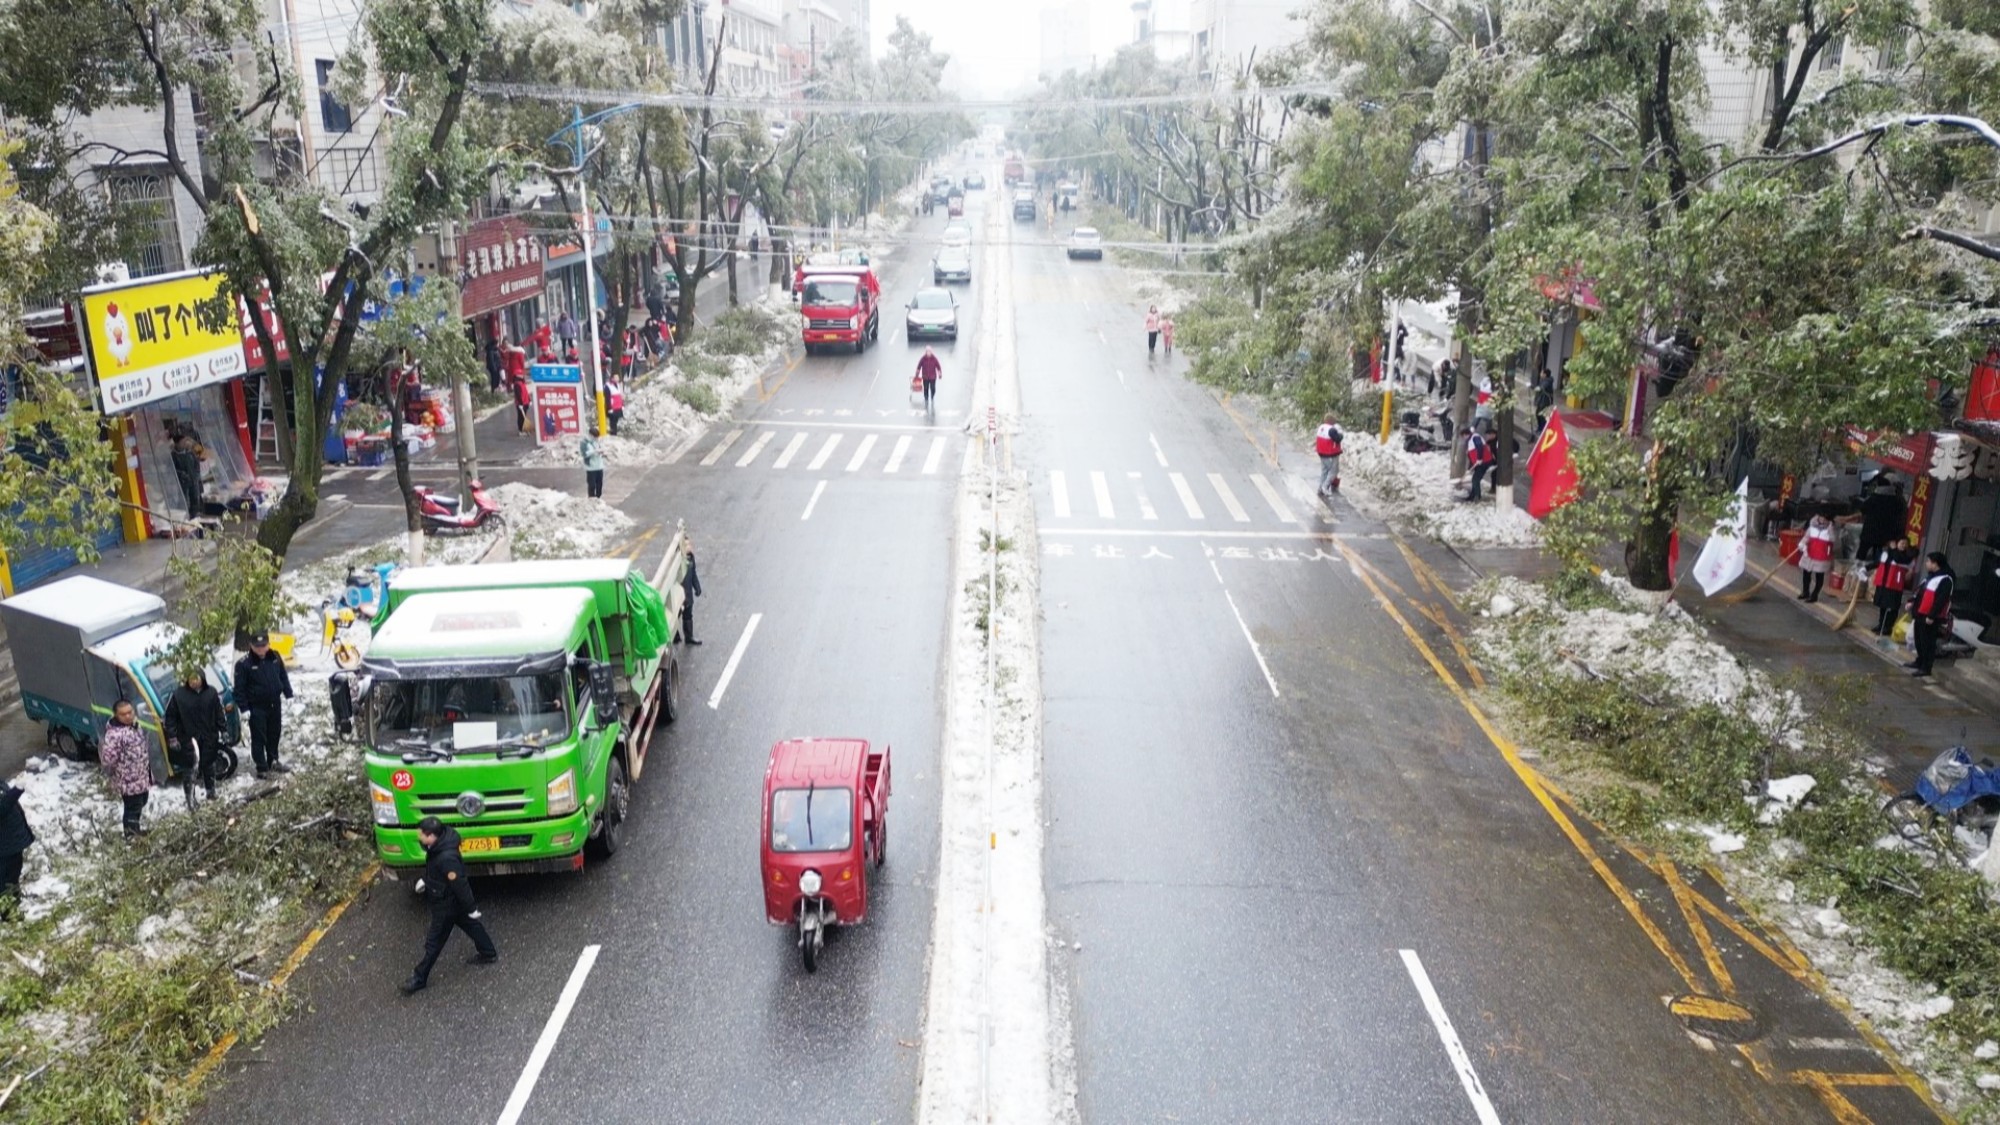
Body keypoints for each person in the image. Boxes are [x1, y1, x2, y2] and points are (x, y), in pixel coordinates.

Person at [400, 817, 498, 995]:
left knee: (434, 942)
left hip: (445, 905)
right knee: (471, 925)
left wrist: (471, 907)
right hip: (449, 899)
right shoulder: (439, 846)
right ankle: (488, 952)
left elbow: (459, 883)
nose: (419, 837)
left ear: (431, 836)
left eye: (421, 834)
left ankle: (419, 978)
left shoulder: (446, 857)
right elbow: (438, 872)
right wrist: (427, 881)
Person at [234, 633, 294, 778]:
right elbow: (239, 688)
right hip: (257, 707)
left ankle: (273, 759)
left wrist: (288, 693)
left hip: (275, 703)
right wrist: (243, 708)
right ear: (251, 646)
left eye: (264, 646)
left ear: (268, 644)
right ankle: (262, 767)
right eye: (258, 647)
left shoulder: (274, 657)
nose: (261, 649)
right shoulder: (244, 664)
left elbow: (283, 676)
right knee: (259, 737)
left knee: (274, 733)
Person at [165, 670, 226, 806]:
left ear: (202, 679)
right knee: (190, 770)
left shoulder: (211, 692)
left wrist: (223, 729)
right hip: (188, 739)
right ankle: (190, 799)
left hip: (208, 736)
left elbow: (219, 712)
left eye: (196, 679)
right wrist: (173, 737)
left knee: (209, 765)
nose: (193, 682)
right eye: (191, 679)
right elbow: (170, 718)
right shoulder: (178, 695)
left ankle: (211, 791)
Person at [99, 700, 153, 837]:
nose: (128, 716)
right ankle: (131, 835)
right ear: (117, 715)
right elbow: (108, 759)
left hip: (141, 776)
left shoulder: (136, 725)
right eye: (123, 714)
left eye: (130, 712)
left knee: (142, 802)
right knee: (132, 809)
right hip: (128, 781)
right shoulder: (114, 735)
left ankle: (135, 829)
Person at [1907, 552, 1955, 677]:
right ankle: (1920, 661)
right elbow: (1920, 591)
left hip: (1930, 616)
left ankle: (1926, 667)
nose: (1926, 564)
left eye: (1928, 561)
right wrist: (1911, 601)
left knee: (1927, 642)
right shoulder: (1930, 576)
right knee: (1919, 639)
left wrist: (1932, 615)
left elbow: (1941, 600)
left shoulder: (1945, 579)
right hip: (1920, 612)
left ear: (1935, 564)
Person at [1871, 536, 1916, 638]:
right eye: (1901, 543)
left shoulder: (1906, 556)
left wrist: (1894, 549)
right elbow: (1878, 563)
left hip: (1895, 585)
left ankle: (1888, 627)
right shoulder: (1888, 552)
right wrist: (1865, 568)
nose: (1903, 545)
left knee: (1892, 607)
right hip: (1884, 583)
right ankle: (1881, 624)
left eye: (1905, 544)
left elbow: (1898, 558)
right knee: (1882, 605)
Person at [0, 781, 32, 906]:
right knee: (5, 885)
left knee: (12, 881)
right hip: (4, 849)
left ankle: (14, 910)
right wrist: (16, 791)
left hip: (11, 845)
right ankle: (10, 916)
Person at [168, 419, 204, 520]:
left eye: (187, 440)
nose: (186, 443)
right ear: (177, 443)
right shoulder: (173, 456)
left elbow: (202, 456)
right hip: (182, 488)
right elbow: (172, 471)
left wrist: (196, 475)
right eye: (183, 441)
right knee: (185, 505)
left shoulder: (190, 453)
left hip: (194, 485)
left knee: (196, 504)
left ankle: (196, 516)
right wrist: (182, 475)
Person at [1798, 514, 1835, 603]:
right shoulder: (1812, 527)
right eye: (1821, 518)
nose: (1823, 520)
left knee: (1819, 576)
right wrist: (1802, 544)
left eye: (1825, 519)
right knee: (1806, 574)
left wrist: (1830, 529)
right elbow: (1806, 537)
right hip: (1809, 554)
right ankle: (1805, 591)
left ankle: (1814, 595)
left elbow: (1833, 540)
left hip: (1821, 556)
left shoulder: (1829, 529)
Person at [1461, 424, 1495, 502]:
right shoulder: (1469, 441)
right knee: (1474, 479)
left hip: (1484, 462)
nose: (1463, 438)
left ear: (1466, 434)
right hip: (1478, 464)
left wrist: (1479, 459)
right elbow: (1471, 457)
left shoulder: (1475, 437)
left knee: (1475, 479)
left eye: (1463, 436)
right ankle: (1472, 496)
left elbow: (1479, 447)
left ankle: (1477, 497)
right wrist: (1469, 469)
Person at [679, 539, 703, 646]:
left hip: (688, 594)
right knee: (676, 615)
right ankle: (675, 636)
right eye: (686, 545)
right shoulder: (678, 562)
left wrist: (697, 587)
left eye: (689, 544)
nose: (689, 547)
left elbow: (693, 574)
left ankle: (689, 636)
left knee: (688, 615)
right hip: (679, 594)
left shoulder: (691, 559)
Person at [1314, 413, 1344, 496]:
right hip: (1330, 454)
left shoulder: (1321, 427)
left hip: (1321, 453)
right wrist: (1340, 433)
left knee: (1324, 470)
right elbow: (1338, 439)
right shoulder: (1332, 430)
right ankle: (1325, 486)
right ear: (1331, 421)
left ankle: (1320, 487)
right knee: (1333, 471)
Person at [580, 424, 606, 499]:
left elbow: (600, 449)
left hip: (599, 466)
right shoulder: (584, 443)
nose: (596, 438)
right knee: (592, 485)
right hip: (591, 467)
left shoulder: (597, 441)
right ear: (591, 435)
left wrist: (601, 452)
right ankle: (591, 499)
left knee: (599, 484)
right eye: (595, 437)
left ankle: (598, 498)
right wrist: (594, 451)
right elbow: (584, 454)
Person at [1532, 368, 1556, 434]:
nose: (1540, 374)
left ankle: (1543, 429)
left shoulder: (1548, 381)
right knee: (1537, 414)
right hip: (1541, 400)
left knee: (1541, 415)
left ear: (1545, 374)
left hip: (1545, 400)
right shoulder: (1543, 379)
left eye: (1542, 373)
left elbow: (1542, 387)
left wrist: (1535, 388)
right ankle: (1539, 428)